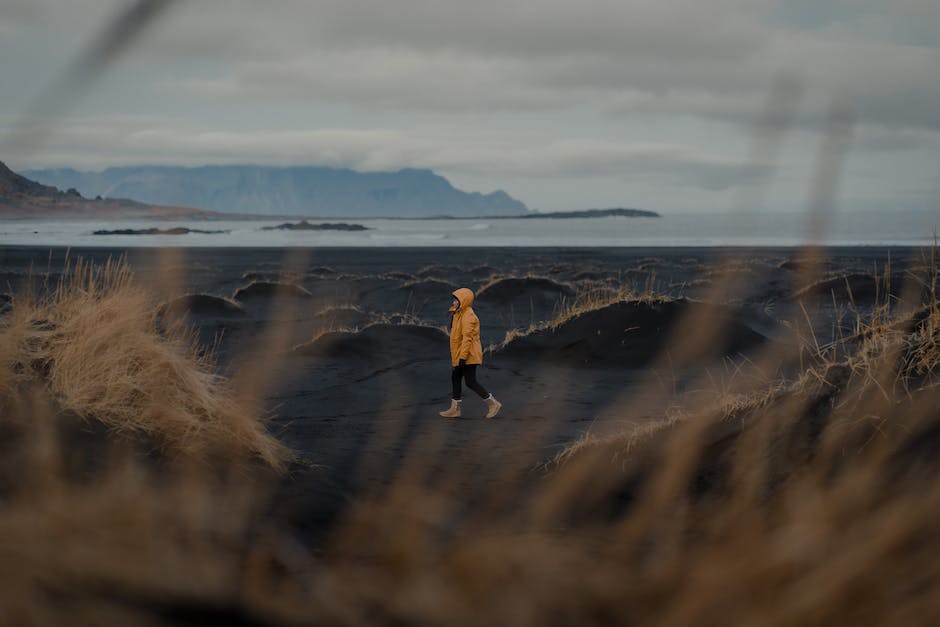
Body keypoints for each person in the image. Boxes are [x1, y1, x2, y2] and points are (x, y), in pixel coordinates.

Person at [439, 287, 501, 419]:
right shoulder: (458, 313)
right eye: (454, 300)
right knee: (455, 377)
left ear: (464, 301)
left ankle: (493, 404)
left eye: (456, 300)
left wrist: (462, 358)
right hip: (462, 353)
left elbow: (467, 338)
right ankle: (455, 409)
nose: (454, 302)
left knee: (470, 381)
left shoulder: (469, 316)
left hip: (469, 354)